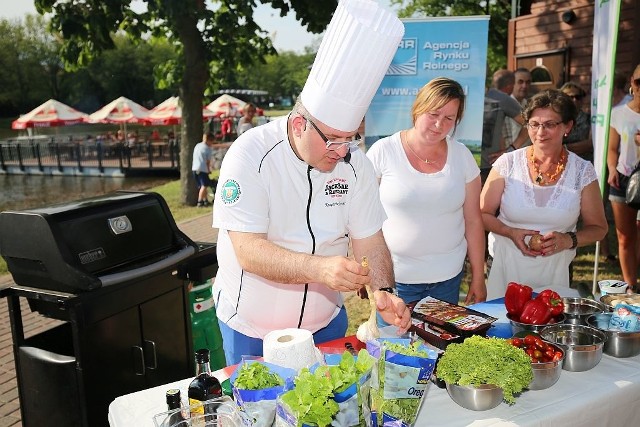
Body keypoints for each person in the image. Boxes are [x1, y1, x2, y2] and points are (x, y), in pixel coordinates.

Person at [211, 0, 410, 365]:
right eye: (333, 139)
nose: (342, 151)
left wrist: (382, 289)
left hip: (326, 323)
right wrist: (321, 268)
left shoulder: (356, 164)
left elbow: (370, 239)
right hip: (252, 329)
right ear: (300, 124)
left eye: (351, 138)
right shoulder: (250, 155)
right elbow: (248, 250)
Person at [366, 77, 486, 305]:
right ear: (418, 108)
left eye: (449, 118)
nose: (439, 125)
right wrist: (368, 270)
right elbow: (363, 218)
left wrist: (478, 278)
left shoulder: (462, 156)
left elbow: (473, 221)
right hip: (395, 279)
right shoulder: (383, 152)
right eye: (433, 114)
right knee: (394, 341)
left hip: (448, 280)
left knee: (441, 342)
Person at [481, 89, 607, 299]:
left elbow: (599, 228)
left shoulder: (582, 171)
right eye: (534, 124)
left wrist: (569, 240)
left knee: (551, 329)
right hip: (504, 269)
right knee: (501, 330)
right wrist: (510, 232)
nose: (540, 132)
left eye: (550, 124)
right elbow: (482, 214)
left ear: (567, 126)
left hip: (556, 273)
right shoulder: (508, 163)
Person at [607, 64, 640, 292]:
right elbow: (612, 148)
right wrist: (611, 168)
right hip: (623, 178)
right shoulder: (618, 113)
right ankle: (630, 287)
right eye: (639, 82)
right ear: (632, 81)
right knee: (625, 237)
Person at [482, 70, 529, 169]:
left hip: (490, 167)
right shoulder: (459, 95)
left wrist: (511, 150)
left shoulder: (501, 99)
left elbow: (530, 124)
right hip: (459, 167)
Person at [560, 82, 593, 162]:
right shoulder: (556, 119)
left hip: (584, 162)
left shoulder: (590, 119)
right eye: (570, 97)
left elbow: (591, 144)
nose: (574, 100)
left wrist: (563, 148)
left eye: (578, 97)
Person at [192, 132, 217, 207]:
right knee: (204, 185)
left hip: (195, 168)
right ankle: (200, 201)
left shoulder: (198, 145)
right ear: (210, 140)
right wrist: (209, 170)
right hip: (203, 169)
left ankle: (205, 200)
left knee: (201, 185)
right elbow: (207, 161)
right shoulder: (207, 148)